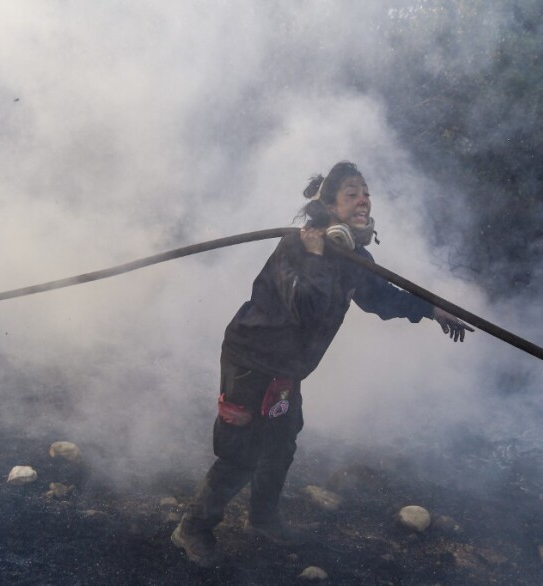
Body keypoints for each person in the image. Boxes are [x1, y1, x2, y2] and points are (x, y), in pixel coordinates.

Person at [171, 161, 469, 566]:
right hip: (251, 359)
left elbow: (381, 298)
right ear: (328, 205)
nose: (364, 199)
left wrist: (433, 309)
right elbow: (306, 309)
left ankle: (262, 519)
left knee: (281, 440)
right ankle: (192, 528)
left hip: (286, 369)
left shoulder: (353, 255)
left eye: (366, 192)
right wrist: (313, 255)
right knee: (243, 451)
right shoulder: (297, 247)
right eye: (352, 192)